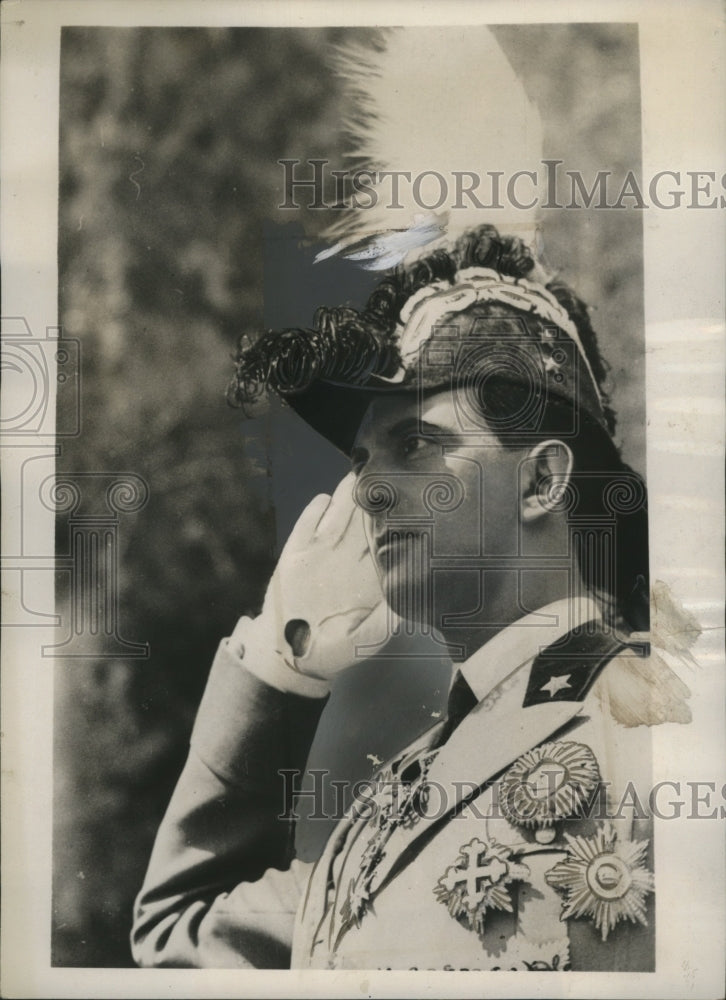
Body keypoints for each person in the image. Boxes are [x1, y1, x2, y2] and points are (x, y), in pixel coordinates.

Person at [131, 225, 689, 971]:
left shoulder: (665, 744)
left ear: (542, 480)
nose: (367, 488)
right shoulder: (379, 815)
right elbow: (176, 937)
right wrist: (280, 658)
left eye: (417, 444)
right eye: (363, 458)